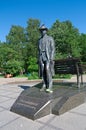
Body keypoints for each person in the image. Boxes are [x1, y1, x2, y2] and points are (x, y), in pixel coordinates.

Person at [38, 24, 55, 93]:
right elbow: (38, 50)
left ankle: (50, 85)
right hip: (41, 56)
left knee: (47, 69)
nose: (43, 31)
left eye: (44, 30)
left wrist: (51, 57)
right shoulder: (39, 40)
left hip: (47, 56)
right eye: (41, 30)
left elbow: (53, 49)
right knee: (43, 71)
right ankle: (44, 84)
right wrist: (38, 58)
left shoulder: (50, 38)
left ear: (46, 31)